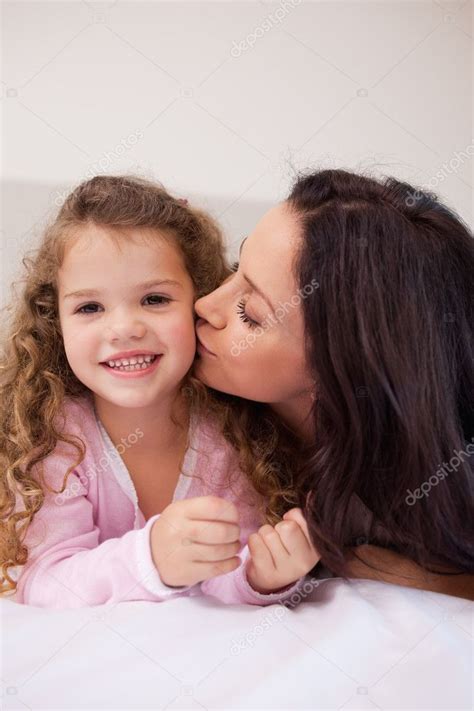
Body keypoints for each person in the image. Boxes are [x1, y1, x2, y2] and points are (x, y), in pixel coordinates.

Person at [0, 175, 319, 608]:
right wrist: (150, 559)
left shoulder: (230, 429)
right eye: (89, 307)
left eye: (154, 300)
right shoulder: (54, 436)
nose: (125, 328)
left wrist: (260, 576)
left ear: (200, 301)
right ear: (56, 322)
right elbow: (46, 580)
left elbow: (227, 570)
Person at [194, 168, 474, 600]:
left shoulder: (432, 480)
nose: (205, 305)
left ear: (344, 366)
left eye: (249, 312)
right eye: (236, 266)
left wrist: (352, 560)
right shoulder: (194, 407)